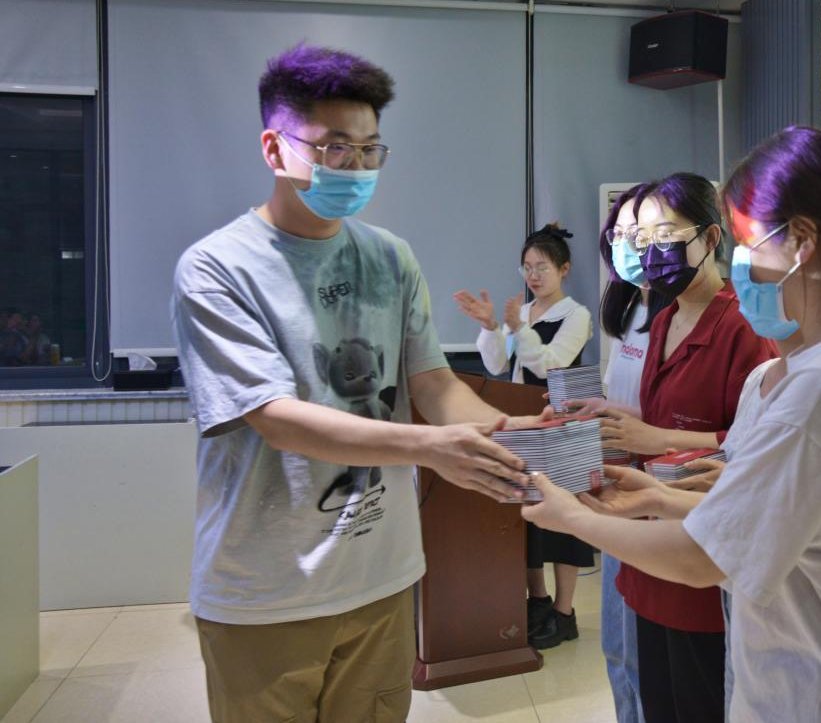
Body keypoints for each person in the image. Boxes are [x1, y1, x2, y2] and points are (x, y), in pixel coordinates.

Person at [524, 127, 821, 722]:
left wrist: (573, 517)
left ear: (802, 241)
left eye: (751, 243)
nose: (742, 263)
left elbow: (705, 557)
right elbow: (774, 506)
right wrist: (659, 495)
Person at [172, 43, 535, 723]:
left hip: (381, 576)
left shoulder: (389, 256)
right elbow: (275, 417)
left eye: (370, 150)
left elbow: (432, 383)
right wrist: (431, 449)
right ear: (275, 149)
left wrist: (508, 430)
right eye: (335, 148)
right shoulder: (218, 268)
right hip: (267, 589)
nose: (357, 167)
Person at [595, 172, 778, 723]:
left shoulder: (744, 327)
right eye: (643, 239)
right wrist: (616, 419)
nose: (652, 253)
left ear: (712, 237)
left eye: (667, 236)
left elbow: (753, 444)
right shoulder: (665, 318)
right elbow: (660, 418)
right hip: (653, 544)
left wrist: (657, 439)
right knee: (657, 699)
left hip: (703, 550)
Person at [454, 223, 594, 648]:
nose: (533, 276)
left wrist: (518, 328)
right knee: (528, 516)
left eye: (542, 267)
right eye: (527, 268)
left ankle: (565, 613)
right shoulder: (524, 314)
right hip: (524, 421)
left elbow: (551, 362)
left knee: (564, 521)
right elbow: (498, 366)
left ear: (564, 269)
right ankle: (538, 600)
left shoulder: (576, 314)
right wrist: (491, 326)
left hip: (563, 425)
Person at [593, 183, 669, 723]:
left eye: (637, 235)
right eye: (618, 234)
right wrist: (595, 410)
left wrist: (640, 434)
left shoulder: (675, 315)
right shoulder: (627, 310)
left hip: (658, 491)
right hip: (617, 483)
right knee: (617, 644)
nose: (626, 245)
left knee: (644, 650)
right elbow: (625, 397)